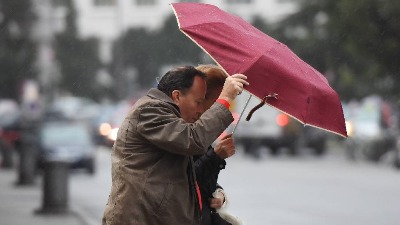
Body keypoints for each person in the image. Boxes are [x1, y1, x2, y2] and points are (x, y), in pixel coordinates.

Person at [102, 65, 248, 225]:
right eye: (199, 102)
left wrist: (218, 192)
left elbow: (191, 178)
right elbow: (193, 141)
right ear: (177, 96)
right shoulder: (150, 111)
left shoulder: (175, 120)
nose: (201, 110)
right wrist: (225, 98)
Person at [194, 64, 238, 225]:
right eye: (217, 102)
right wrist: (215, 156)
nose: (220, 108)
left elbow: (205, 181)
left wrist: (219, 194)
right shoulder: (181, 128)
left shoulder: (201, 130)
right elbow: (183, 179)